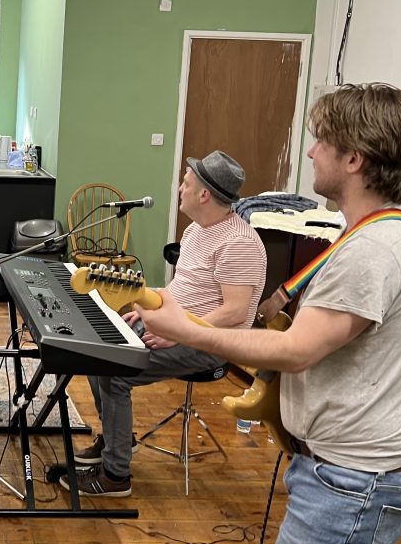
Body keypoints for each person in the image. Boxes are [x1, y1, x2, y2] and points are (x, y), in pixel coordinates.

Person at [136, 83, 401, 544]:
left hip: (354, 479)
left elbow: (297, 351)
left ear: (354, 159)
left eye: (322, 141)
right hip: (366, 472)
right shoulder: (394, 233)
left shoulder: (371, 252)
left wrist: (188, 331)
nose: (311, 152)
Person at [63, 150, 267, 497]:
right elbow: (180, 288)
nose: (180, 189)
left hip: (209, 342)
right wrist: (147, 308)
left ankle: (115, 475)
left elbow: (235, 312)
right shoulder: (196, 230)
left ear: (204, 194)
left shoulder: (239, 243)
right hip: (176, 327)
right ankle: (117, 439)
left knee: (115, 372)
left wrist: (178, 333)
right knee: (97, 353)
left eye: (186, 184)